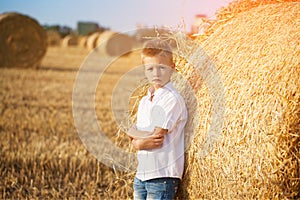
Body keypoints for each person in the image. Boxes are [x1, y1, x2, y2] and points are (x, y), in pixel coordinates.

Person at [127, 38, 188, 200]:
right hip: (142, 174)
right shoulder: (145, 100)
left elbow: (156, 138)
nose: (156, 73)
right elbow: (131, 130)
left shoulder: (171, 99)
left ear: (173, 68)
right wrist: (135, 136)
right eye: (150, 68)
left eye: (162, 67)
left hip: (162, 176)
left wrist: (137, 142)